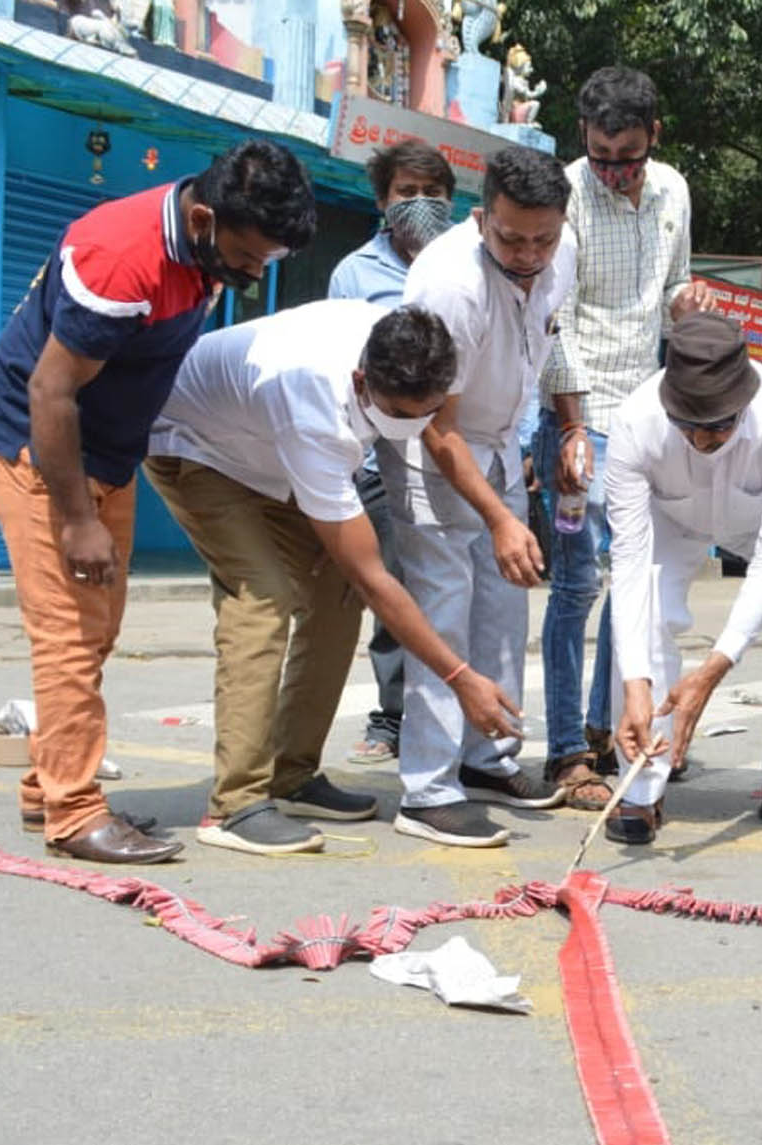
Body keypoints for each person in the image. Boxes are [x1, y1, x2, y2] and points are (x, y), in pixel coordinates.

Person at [0, 139, 315, 865]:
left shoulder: (202, 254)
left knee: (97, 628)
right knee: (69, 630)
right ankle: (73, 813)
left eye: (270, 261)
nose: (255, 273)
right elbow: (49, 391)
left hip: (107, 456)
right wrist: (74, 519)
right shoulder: (122, 257)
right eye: (250, 256)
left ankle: (47, 782)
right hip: (40, 448)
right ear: (201, 218)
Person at [147, 303, 524, 855]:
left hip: (268, 455)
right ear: (360, 380)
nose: (411, 426)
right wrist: (461, 678)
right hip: (198, 447)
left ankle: (291, 775)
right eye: (397, 412)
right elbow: (376, 578)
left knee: (336, 594)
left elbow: (438, 441)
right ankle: (235, 804)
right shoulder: (314, 404)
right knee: (263, 597)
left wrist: (501, 519)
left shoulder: (411, 346)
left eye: (426, 411)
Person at [381, 146, 577, 847]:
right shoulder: (449, 284)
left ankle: (488, 760)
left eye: (543, 239)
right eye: (510, 238)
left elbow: (550, 346)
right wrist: (496, 516)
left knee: (503, 605)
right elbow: (438, 427)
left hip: (494, 445)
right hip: (426, 447)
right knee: (443, 606)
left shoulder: (561, 254)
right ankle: (428, 790)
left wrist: (564, 432)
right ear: (479, 215)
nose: (528, 254)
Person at [608, 312, 762, 844]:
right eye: (688, 427)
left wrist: (714, 667)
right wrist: (634, 684)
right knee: (644, 617)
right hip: (669, 518)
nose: (703, 441)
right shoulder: (634, 423)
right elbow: (628, 563)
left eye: (720, 426)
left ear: (745, 401)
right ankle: (641, 790)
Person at [536, 65, 709, 810]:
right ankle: (567, 752)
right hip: (580, 415)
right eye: (601, 155)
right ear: (584, 138)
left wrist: (687, 302)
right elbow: (556, 318)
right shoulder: (565, 198)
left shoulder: (672, 190)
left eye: (627, 156)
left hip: (648, 413)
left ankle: (612, 731)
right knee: (577, 585)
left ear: (654, 138)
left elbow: (671, 287)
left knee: (631, 585)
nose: (613, 171)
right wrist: (572, 427)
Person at [328, 140, 458, 766]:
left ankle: (458, 713)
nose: (421, 204)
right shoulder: (355, 274)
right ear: (383, 202)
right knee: (394, 587)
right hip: (382, 459)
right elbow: (341, 363)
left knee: (458, 587)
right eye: (407, 193)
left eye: (434, 193)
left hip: (454, 454)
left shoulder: (471, 264)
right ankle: (393, 716)